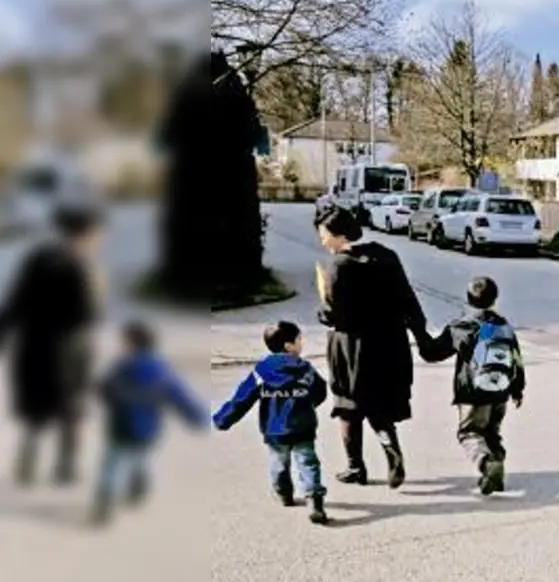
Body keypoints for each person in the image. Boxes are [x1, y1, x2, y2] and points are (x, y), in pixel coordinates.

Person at [315, 207, 427, 487]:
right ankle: (392, 452)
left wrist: (323, 311)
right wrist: (422, 336)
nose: (323, 241)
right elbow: (408, 299)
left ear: (338, 235)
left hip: (351, 345)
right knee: (378, 406)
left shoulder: (340, 265)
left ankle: (356, 467)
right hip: (389, 343)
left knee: (348, 406)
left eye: (324, 235)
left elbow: (332, 313)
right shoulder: (386, 255)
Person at [0, 204, 104, 486]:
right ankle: (65, 467)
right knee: (71, 406)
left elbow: (15, 301)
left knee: (37, 406)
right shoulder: (79, 264)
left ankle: (26, 463)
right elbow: (87, 312)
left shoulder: (38, 258)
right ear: (85, 233)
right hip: (69, 346)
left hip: (34, 344)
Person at [212, 321, 330, 525]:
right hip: (303, 426)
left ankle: (284, 493)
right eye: (299, 339)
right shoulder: (305, 369)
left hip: (275, 429)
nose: (302, 343)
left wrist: (222, 419)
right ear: (288, 345)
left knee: (279, 462)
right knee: (308, 462)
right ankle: (315, 500)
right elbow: (320, 391)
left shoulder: (262, 372)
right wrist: (307, 405)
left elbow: (242, 398)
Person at [417, 276, 525, 495]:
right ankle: (496, 473)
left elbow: (432, 353)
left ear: (468, 299)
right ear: (495, 299)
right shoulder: (504, 326)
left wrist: (418, 332)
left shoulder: (462, 326)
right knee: (492, 434)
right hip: (500, 391)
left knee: (470, 433)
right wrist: (517, 389)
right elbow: (516, 359)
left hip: (473, 394)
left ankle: (487, 464)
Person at [92, 321, 208, 524]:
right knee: (143, 459)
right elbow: (178, 395)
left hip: (121, 425)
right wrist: (196, 417)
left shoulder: (122, 367)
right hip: (147, 428)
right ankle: (139, 490)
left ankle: (106, 501)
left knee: (113, 464)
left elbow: (104, 388)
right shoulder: (160, 369)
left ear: (130, 342)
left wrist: (113, 400)